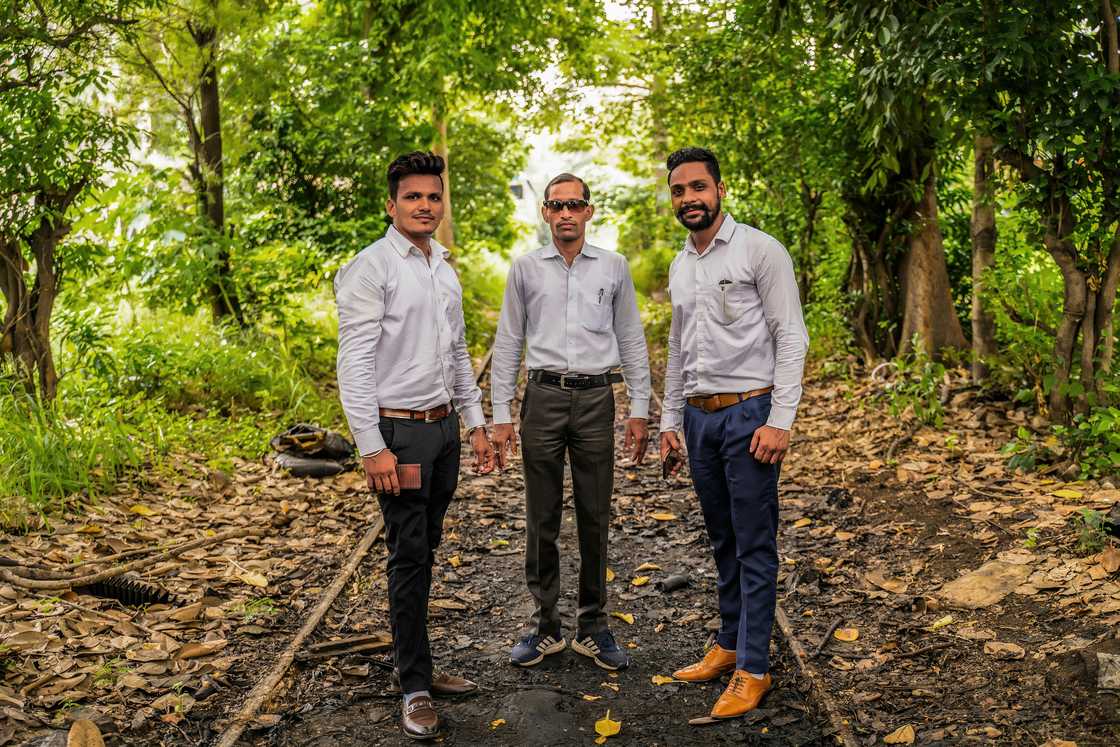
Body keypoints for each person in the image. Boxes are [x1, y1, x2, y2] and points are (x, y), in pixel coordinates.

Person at [334, 151, 495, 741]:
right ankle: (415, 688)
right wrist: (371, 446)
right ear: (391, 204)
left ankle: (419, 664)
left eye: (434, 197)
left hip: (443, 429)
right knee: (407, 555)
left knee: (426, 549)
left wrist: (473, 422)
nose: (425, 206)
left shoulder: (442, 267)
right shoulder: (371, 268)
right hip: (397, 435)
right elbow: (353, 364)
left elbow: (456, 355)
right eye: (413, 197)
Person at [658, 147, 809, 720]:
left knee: (754, 543)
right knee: (722, 537)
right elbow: (676, 350)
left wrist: (780, 421)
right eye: (679, 190)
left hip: (750, 415)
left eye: (698, 187)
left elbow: (791, 338)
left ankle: (754, 669)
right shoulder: (681, 265)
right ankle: (727, 644)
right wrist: (672, 420)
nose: (689, 198)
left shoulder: (759, 250)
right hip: (699, 418)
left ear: (720, 190)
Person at [490, 173, 651, 672]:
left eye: (574, 205)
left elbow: (631, 338)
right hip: (542, 396)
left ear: (589, 211)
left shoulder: (614, 267)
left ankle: (593, 626)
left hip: (595, 398)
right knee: (540, 514)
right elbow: (508, 342)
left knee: (594, 512)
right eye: (556, 206)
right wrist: (500, 415)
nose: (565, 213)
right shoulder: (525, 269)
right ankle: (544, 627)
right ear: (544, 212)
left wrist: (640, 409)